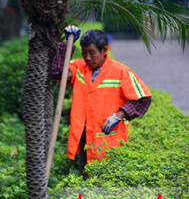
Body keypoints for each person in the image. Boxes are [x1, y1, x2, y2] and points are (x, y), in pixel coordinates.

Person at [51, 26, 152, 175]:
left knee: (108, 186)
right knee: (86, 181)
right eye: (84, 52)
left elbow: (144, 98)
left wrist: (119, 115)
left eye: (92, 53)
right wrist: (67, 46)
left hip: (109, 142)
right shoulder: (79, 67)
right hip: (85, 140)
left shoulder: (121, 72)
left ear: (104, 50)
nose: (87, 57)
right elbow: (59, 73)